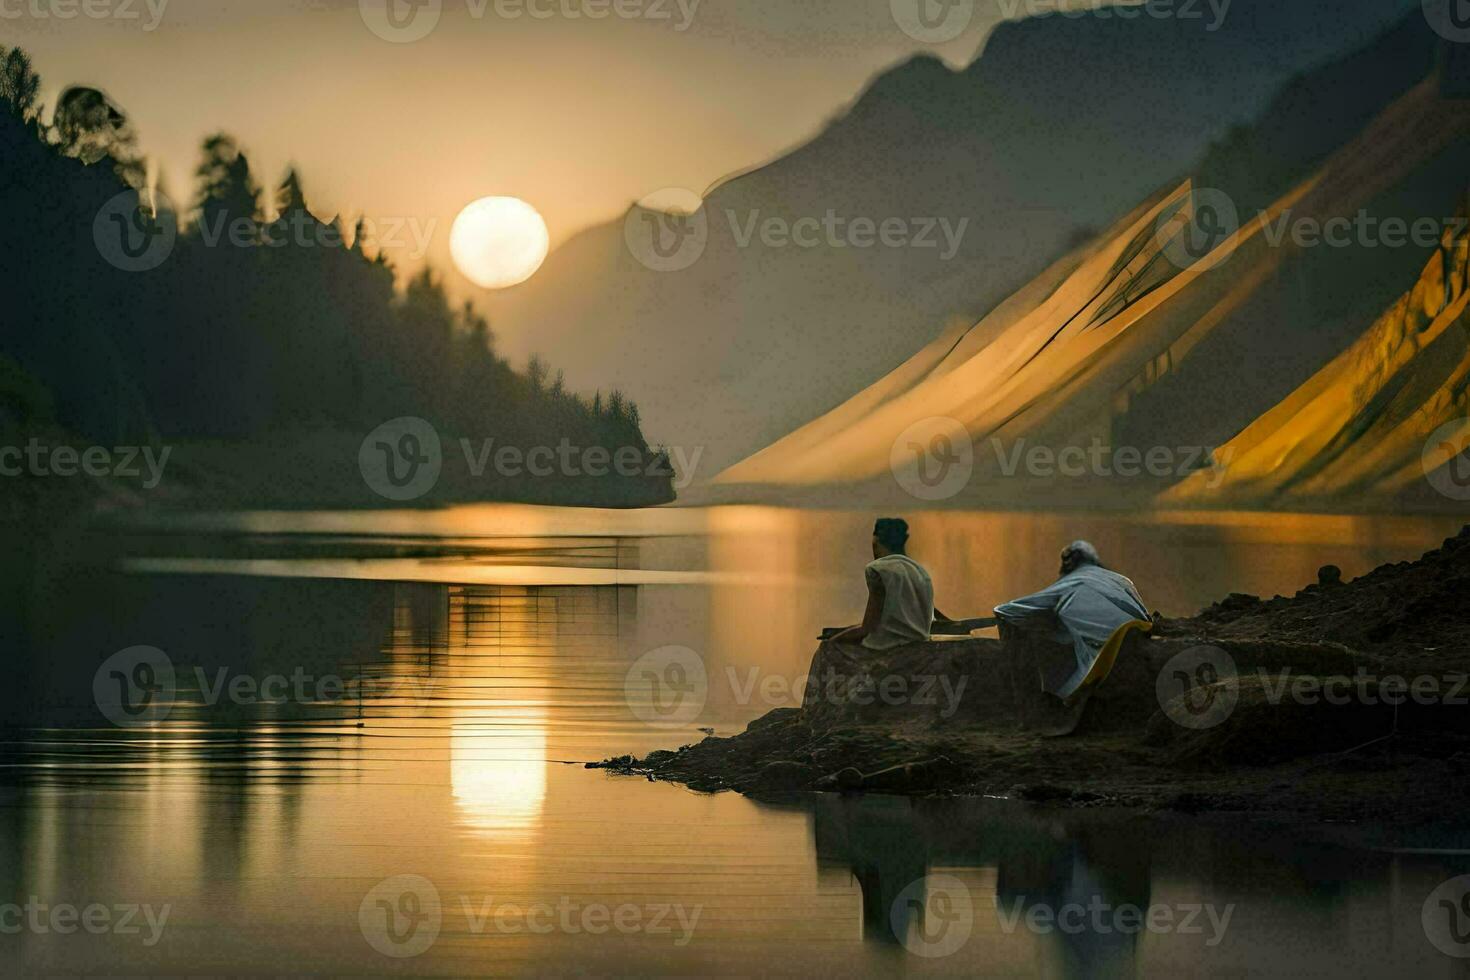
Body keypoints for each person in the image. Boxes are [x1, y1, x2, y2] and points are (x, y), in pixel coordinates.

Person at [993, 541, 1150, 699]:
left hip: (1103, 646)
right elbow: (1144, 612)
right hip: (1136, 628)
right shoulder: (1121, 580)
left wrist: (1045, 623)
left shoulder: (1071, 581)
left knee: (1062, 689)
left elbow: (1007, 610)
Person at [831, 518, 953, 650]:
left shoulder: (879, 569)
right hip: (916, 645)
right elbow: (928, 612)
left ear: (876, 542)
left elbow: (868, 627)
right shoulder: (919, 571)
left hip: (886, 646)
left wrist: (834, 639)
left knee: (829, 649)